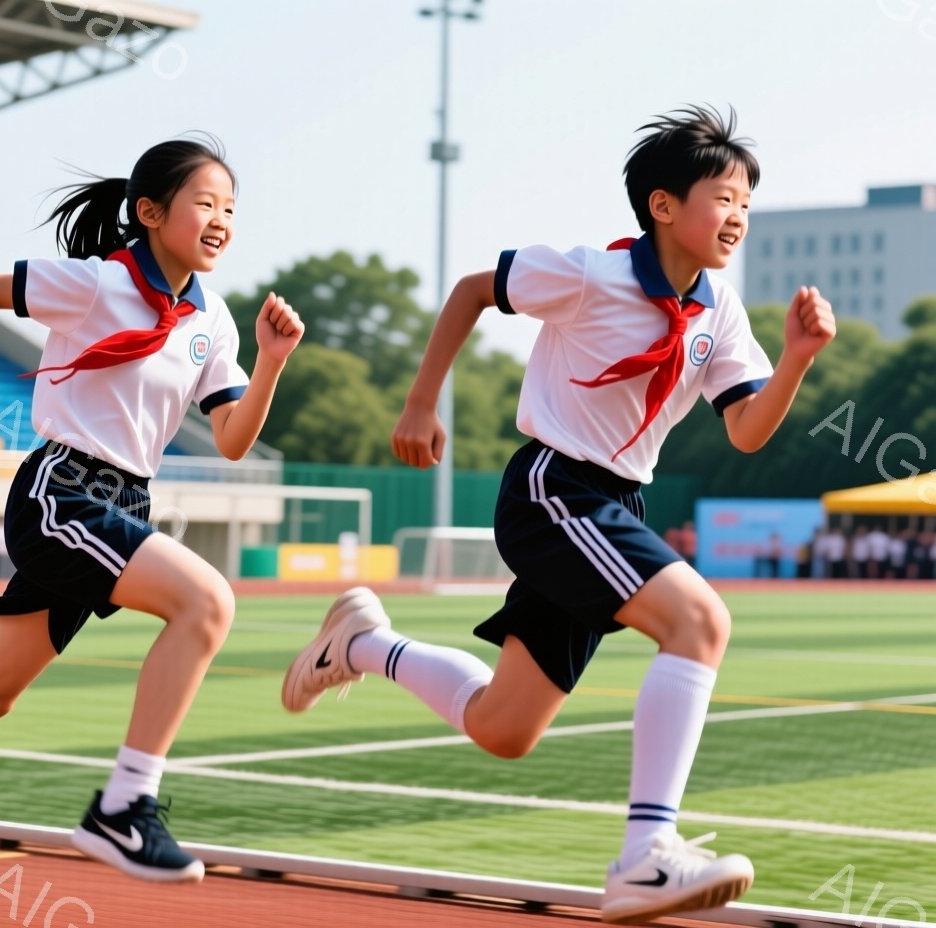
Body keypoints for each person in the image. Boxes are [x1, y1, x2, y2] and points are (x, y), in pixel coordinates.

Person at [282, 106, 834, 925]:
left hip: (614, 502)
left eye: (747, 203)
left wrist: (796, 360)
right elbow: (474, 289)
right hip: (553, 491)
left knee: (504, 728)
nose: (738, 218)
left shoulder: (718, 312)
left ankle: (362, 643)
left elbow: (748, 431)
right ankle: (646, 856)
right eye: (723, 198)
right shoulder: (590, 275)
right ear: (662, 206)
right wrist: (421, 402)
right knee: (700, 623)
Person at [0, 137, 302, 888]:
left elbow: (233, 439)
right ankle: (124, 804)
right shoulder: (98, 284)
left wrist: (270, 361)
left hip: (127, 499)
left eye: (231, 208)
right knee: (206, 603)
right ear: (149, 212)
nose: (221, 219)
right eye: (206, 202)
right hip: (60, 492)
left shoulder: (215, 322)